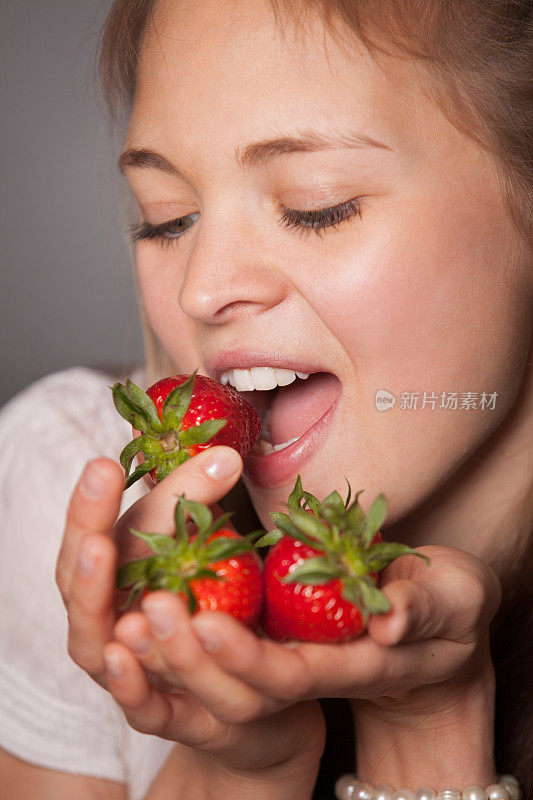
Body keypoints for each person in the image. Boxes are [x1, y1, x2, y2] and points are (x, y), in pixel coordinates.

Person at [0, 0, 531, 798]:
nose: (201, 289)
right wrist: (232, 765)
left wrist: (428, 723)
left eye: (317, 206)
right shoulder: (62, 484)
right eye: (165, 220)